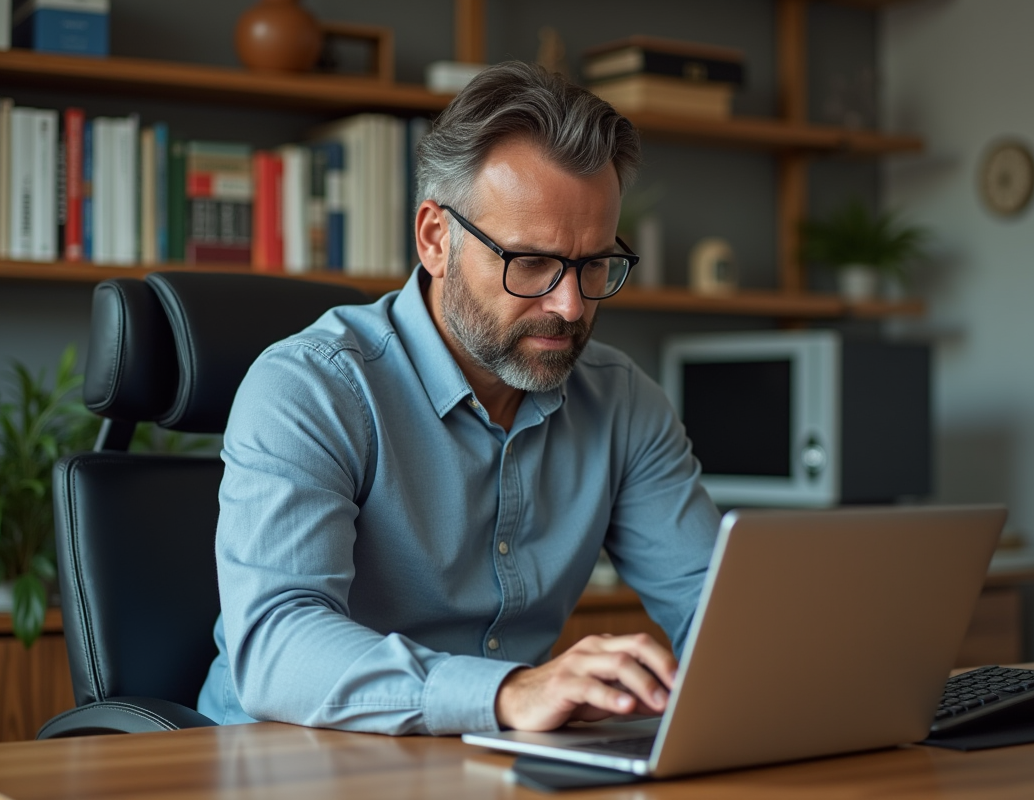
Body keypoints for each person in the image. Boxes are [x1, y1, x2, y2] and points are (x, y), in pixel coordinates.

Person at [196, 61, 720, 736]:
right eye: (530, 262)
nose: (569, 305)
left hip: (486, 763)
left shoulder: (622, 403)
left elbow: (716, 609)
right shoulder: (311, 386)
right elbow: (276, 648)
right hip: (284, 763)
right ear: (436, 239)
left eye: (595, 265)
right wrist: (507, 694)